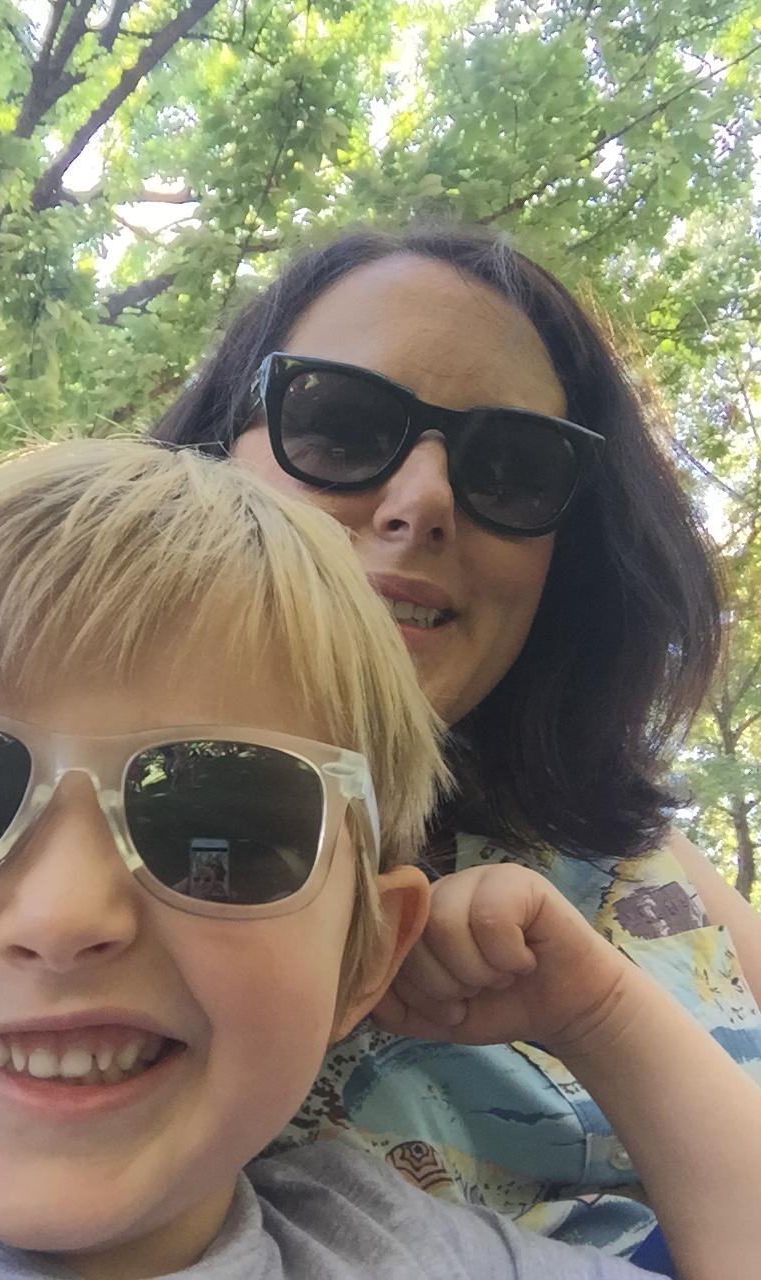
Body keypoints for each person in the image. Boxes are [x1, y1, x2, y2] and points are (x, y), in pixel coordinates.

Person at [0, 435, 761, 1280]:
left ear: (365, 955)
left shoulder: (403, 1253)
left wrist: (600, 1016)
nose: (63, 917)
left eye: (218, 830)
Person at [150, 223, 761, 1267]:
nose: (425, 500)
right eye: (339, 425)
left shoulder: (640, 854)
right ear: (211, 453)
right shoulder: (25, 838)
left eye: (512, 468)